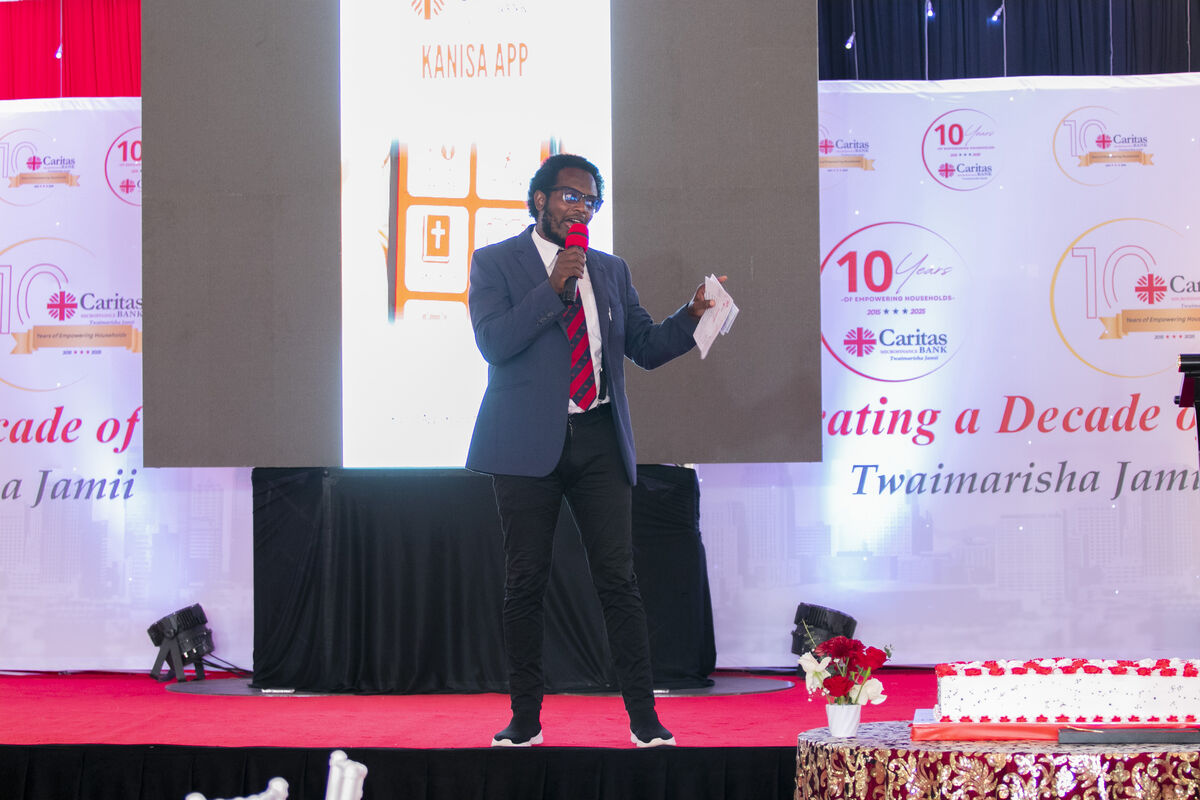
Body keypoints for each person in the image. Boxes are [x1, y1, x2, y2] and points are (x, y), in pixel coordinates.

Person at [466, 153, 722, 748]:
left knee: (618, 581)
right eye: (570, 197)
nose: (581, 209)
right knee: (525, 583)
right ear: (539, 200)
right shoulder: (495, 262)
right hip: (525, 446)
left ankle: (644, 719)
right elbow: (494, 343)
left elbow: (646, 346)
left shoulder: (609, 269)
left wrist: (691, 315)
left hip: (600, 439)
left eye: (591, 201)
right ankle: (525, 718)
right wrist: (552, 287)